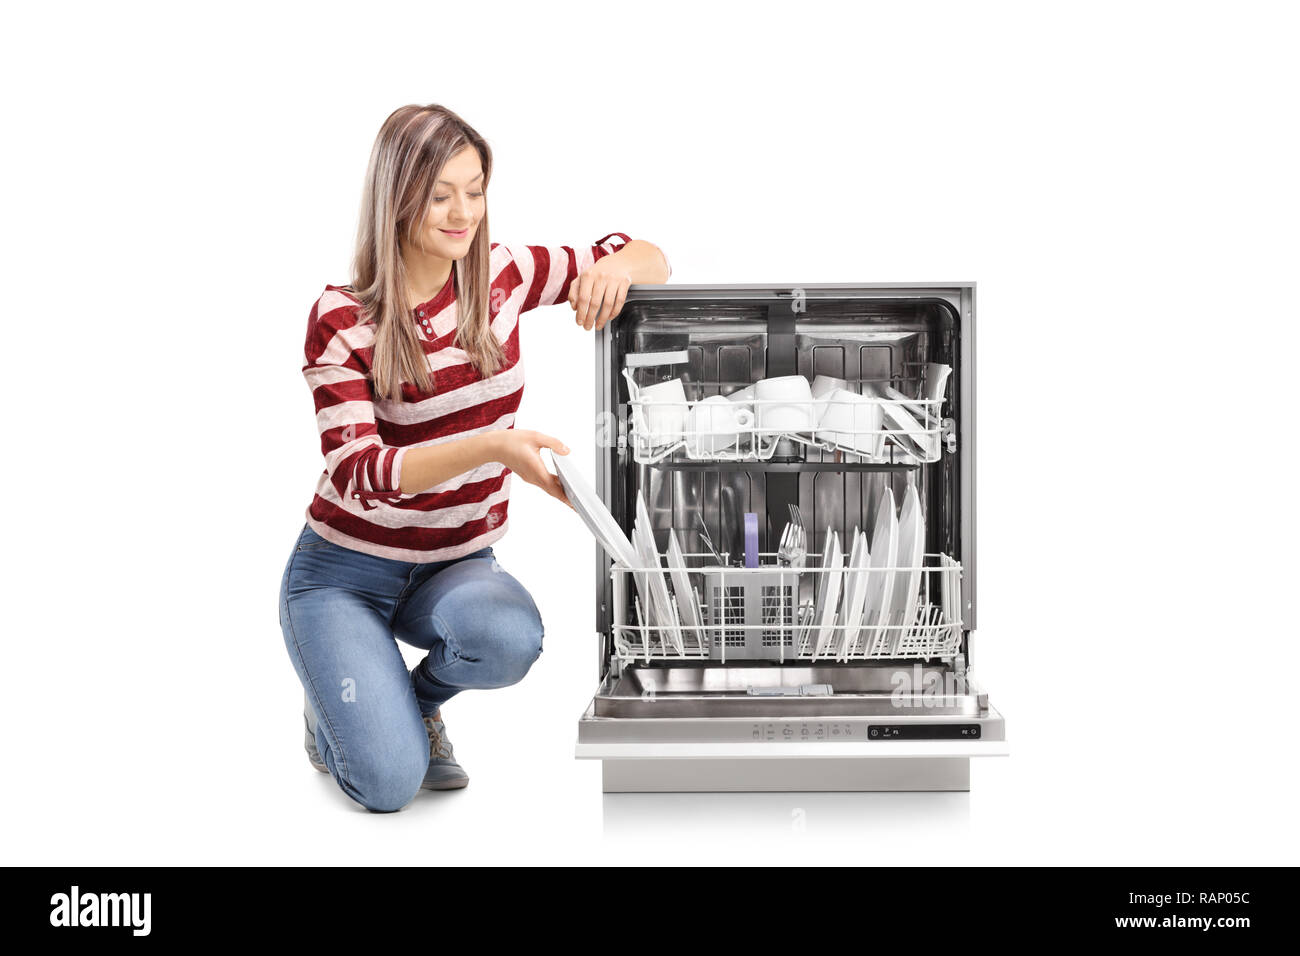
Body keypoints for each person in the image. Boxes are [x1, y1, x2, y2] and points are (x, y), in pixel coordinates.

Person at [277, 103, 671, 813]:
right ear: (396, 199)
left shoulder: (504, 275)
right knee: (389, 786)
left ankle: (406, 705)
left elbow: (648, 255)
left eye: (476, 189)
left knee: (508, 638)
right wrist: (494, 448)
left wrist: (619, 270)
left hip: (455, 565)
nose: (464, 213)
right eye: (440, 195)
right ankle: (334, 708)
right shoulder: (343, 317)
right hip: (344, 572)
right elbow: (360, 473)